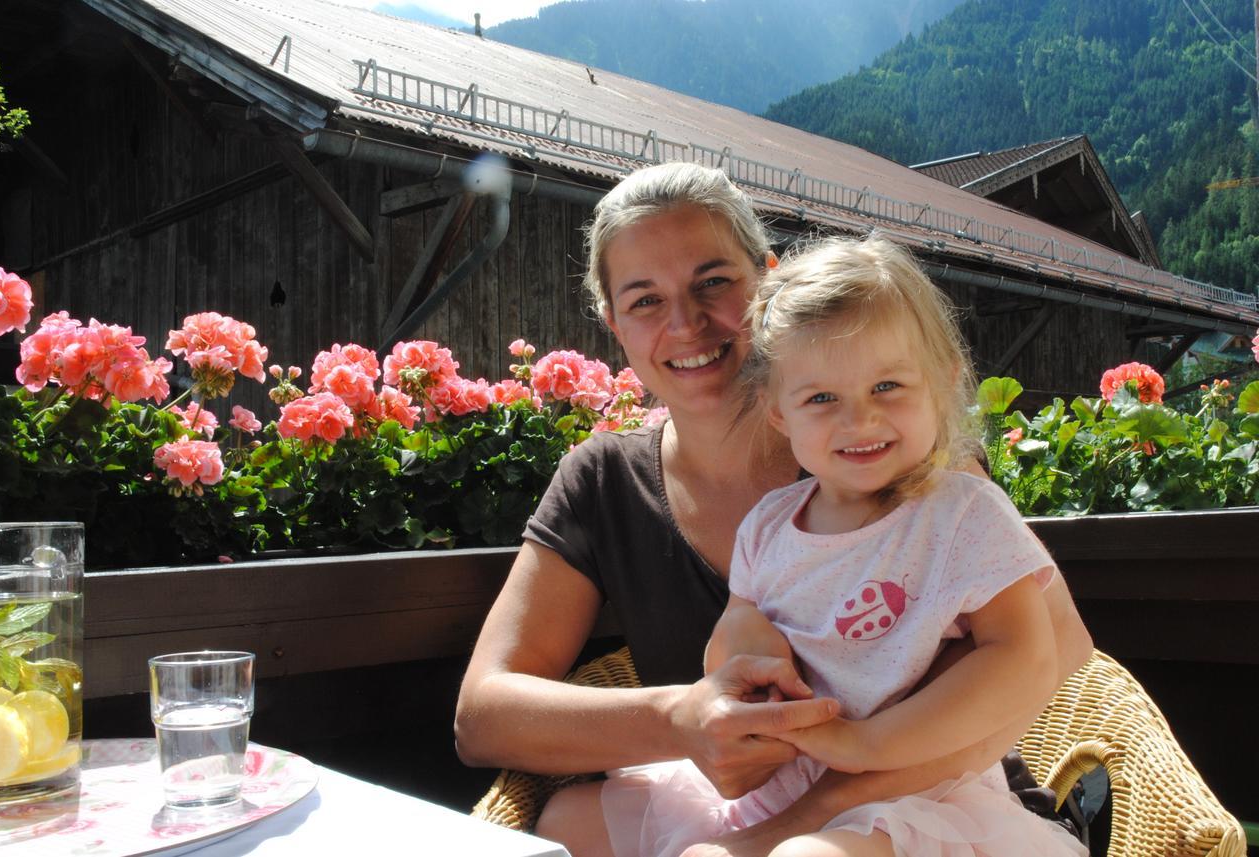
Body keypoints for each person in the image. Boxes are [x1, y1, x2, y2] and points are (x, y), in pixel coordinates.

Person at [454, 162, 1093, 857]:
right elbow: (482, 717)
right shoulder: (605, 480)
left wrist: (795, 818)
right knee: (569, 824)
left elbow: (1053, 653)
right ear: (614, 323)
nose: (687, 323)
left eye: (714, 283)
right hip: (762, 794)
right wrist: (683, 718)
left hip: (924, 803)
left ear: (766, 281)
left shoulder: (893, 459)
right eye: (644, 300)